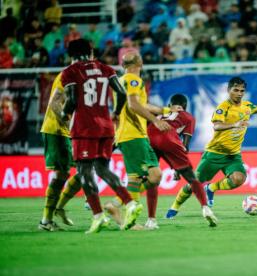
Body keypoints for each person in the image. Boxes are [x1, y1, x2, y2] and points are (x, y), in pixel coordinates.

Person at [60, 39, 142, 234]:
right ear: (90, 51)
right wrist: (115, 113)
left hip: (84, 129)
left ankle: (98, 216)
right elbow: (121, 93)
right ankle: (129, 203)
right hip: (105, 126)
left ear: (71, 54)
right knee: (102, 168)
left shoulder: (70, 72)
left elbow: (71, 100)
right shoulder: (105, 68)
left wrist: (64, 114)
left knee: (84, 171)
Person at [167, 76, 257, 214]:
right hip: (214, 154)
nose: (239, 93)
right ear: (228, 90)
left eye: (242, 90)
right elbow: (217, 126)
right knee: (193, 185)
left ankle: (211, 188)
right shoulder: (223, 107)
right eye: (236, 90)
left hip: (233, 155)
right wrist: (235, 124)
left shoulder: (246, 106)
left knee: (239, 179)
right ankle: (174, 207)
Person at [103, 51, 172, 230]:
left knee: (155, 176)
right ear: (139, 61)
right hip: (132, 134)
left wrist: (164, 111)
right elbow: (134, 105)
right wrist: (156, 121)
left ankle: (116, 204)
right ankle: (128, 221)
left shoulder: (120, 80)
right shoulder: (134, 80)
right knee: (136, 177)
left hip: (137, 135)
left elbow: (140, 104)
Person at [148, 94, 217, 226]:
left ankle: (151, 220)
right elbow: (185, 145)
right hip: (169, 137)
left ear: (170, 106)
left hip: (149, 136)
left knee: (152, 178)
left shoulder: (160, 112)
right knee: (192, 178)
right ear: (185, 107)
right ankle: (205, 208)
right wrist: (178, 170)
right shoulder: (188, 117)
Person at [38, 70, 81, 231]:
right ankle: (46, 220)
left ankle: (59, 208)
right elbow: (54, 104)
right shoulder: (67, 75)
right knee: (60, 174)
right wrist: (70, 124)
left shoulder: (80, 75)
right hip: (56, 130)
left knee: (86, 170)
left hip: (67, 132)